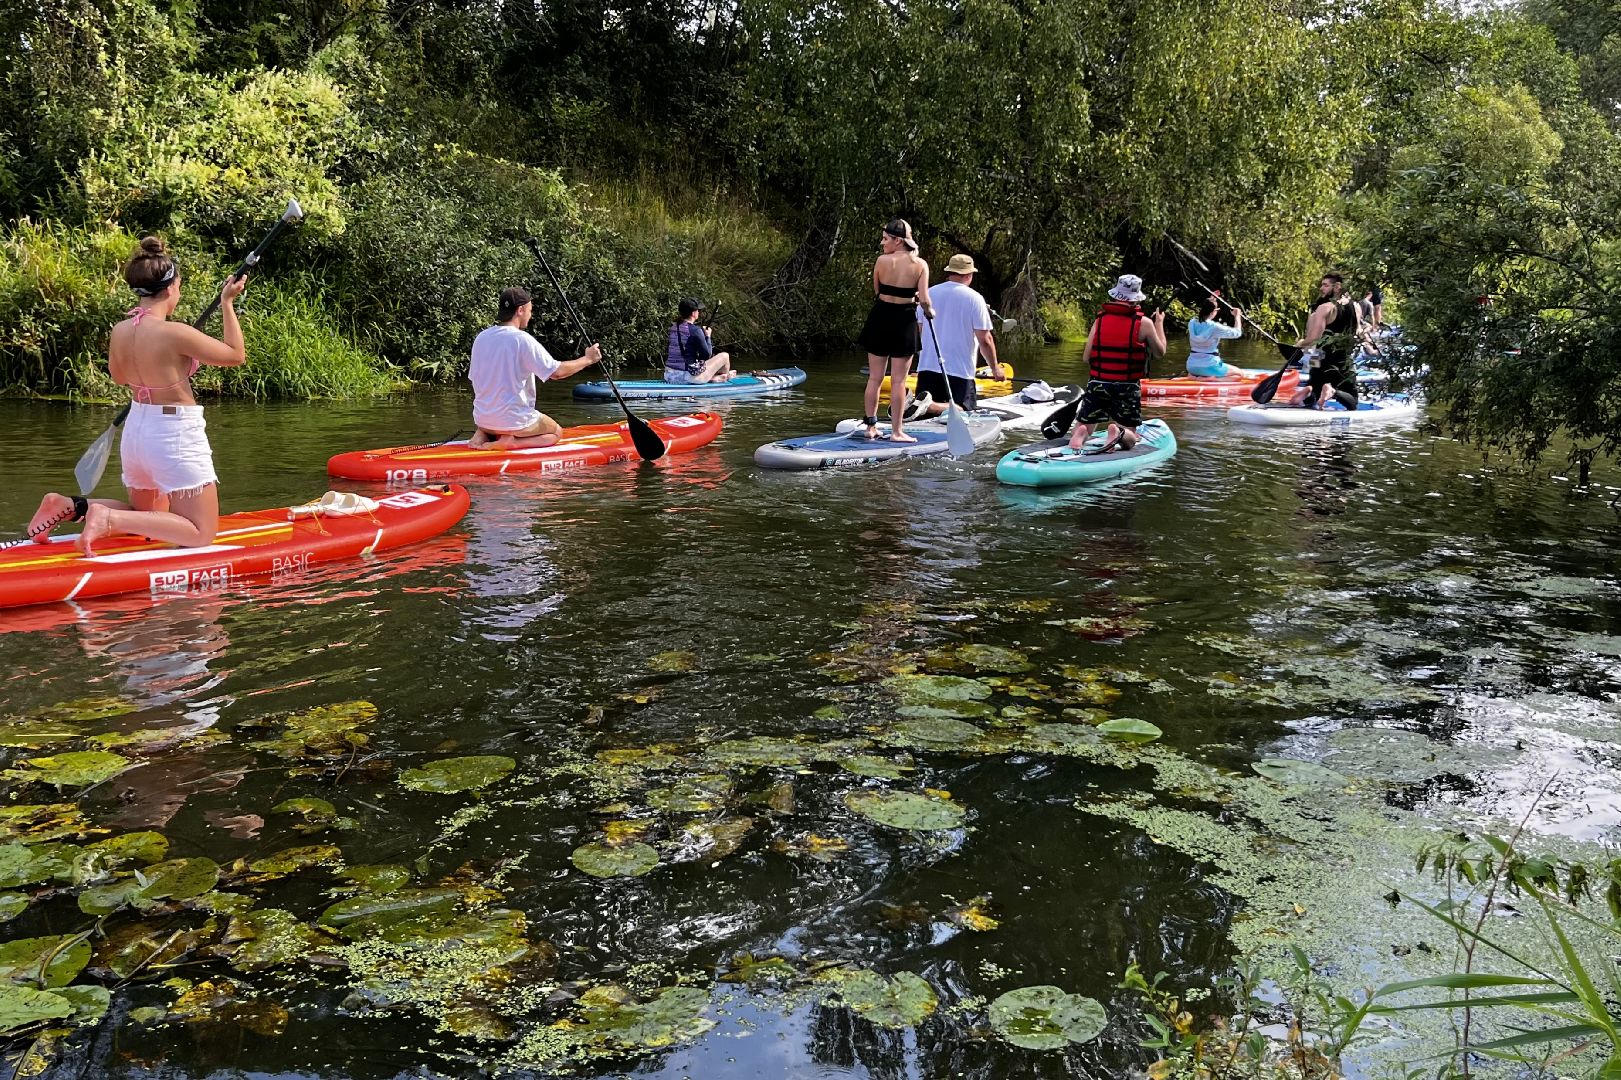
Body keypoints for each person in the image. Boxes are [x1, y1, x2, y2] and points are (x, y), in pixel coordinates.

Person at [27, 236, 247, 555]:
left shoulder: (120, 331)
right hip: (173, 434)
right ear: (171, 288)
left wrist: (165, 367)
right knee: (200, 532)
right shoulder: (175, 332)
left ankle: (71, 506)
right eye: (179, 286)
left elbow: (120, 377)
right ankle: (107, 517)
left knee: (147, 519)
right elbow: (235, 355)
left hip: (137, 432)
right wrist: (227, 303)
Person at [468, 287, 602, 449]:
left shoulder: (481, 337)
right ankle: (512, 442)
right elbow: (557, 373)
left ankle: (483, 434)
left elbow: (475, 379)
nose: (530, 316)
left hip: (482, 419)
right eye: (530, 311)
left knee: (496, 414)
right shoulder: (522, 339)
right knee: (556, 433)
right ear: (520, 310)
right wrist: (588, 359)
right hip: (514, 422)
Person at [1066, 274, 1167, 451]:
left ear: (1116, 294)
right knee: (1130, 436)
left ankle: (1080, 433)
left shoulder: (1100, 319)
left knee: (1086, 423)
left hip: (1098, 382)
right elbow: (1160, 352)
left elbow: (1086, 357)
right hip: (1126, 386)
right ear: (1136, 298)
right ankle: (1119, 432)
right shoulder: (1144, 323)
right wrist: (1159, 323)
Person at [857, 219, 934, 442]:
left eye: (885, 239)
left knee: (875, 378)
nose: (882, 243)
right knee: (899, 381)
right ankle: (897, 432)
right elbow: (925, 300)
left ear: (898, 240)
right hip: (904, 320)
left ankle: (871, 427)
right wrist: (929, 310)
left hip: (880, 317)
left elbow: (877, 290)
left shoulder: (881, 261)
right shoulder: (920, 265)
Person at [911, 253, 1002, 418]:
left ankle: (920, 404)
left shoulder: (928, 294)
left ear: (950, 272)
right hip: (959, 370)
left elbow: (918, 331)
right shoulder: (975, 299)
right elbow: (985, 340)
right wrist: (995, 368)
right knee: (965, 408)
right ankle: (929, 405)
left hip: (927, 366)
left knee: (924, 416)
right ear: (968, 275)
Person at [1290, 272, 1360, 410]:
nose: (1321, 288)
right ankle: (1331, 391)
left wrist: (1299, 344)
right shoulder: (1356, 307)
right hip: (1342, 358)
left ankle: (1310, 390)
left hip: (1317, 356)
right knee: (1352, 402)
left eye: (1325, 285)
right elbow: (1356, 334)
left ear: (1337, 286)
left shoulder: (1324, 308)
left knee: (1315, 382)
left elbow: (1314, 338)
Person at [664, 299, 737, 384]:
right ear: (693, 313)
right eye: (698, 310)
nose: (699, 312)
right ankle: (722, 378)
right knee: (725, 356)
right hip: (688, 378)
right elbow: (706, 355)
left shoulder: (672, 328)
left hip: (669, 376)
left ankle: (714, 377)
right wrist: (707, 336)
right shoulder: (696, 330)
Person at [1184, 297, 1244, 377]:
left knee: (1197, 371)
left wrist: (1210, 300)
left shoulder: (1191, 322)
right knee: (1239, 374)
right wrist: (1237, 316)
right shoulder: (1215, 327)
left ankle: (1195, 377)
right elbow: (1237, 333)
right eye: (1217, 310)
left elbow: (1205, 309)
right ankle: (1209, 379)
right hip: (1210, 365)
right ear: (1213, 311)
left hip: (1191, 366)